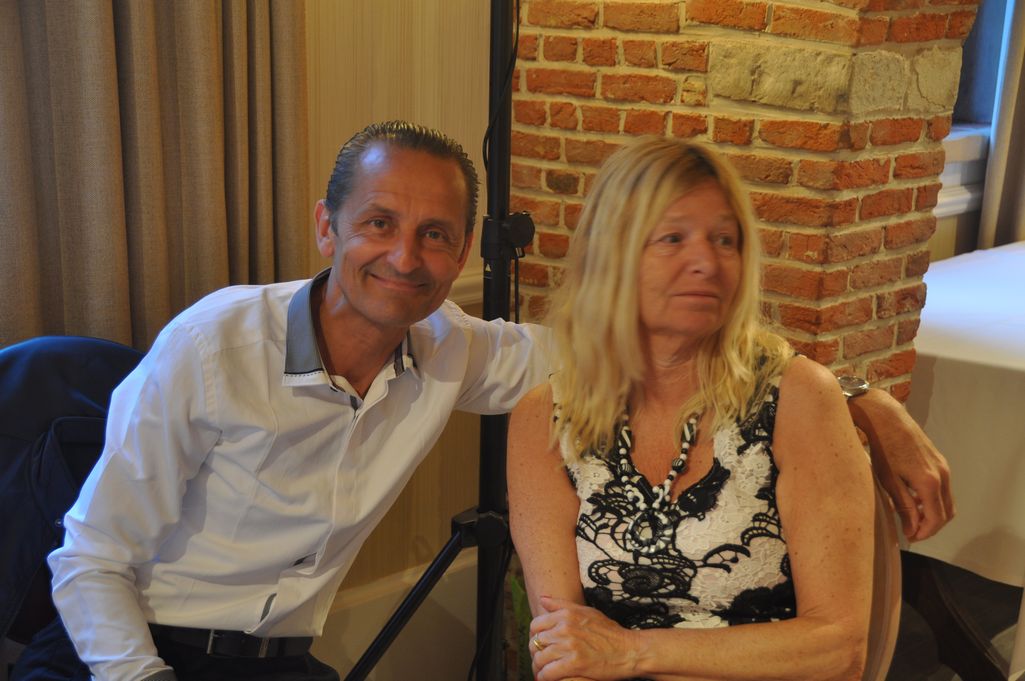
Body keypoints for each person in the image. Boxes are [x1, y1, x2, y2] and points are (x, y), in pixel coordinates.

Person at [33, 121, 947, 681]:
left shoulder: (449, 347)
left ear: (463, 250)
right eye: (379, 224)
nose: (406, 257)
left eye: (435, 235)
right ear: (326, 227)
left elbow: (643, 337)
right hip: (119, 649)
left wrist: (852, 394)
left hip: (276, 663)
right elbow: (90, 558)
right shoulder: (213, 346)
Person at [507, 137, 889, 681]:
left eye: (725, 240)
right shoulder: (545, 419)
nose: (707, 263)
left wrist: (632, 651)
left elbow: (838, 648)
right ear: (610, 257)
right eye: (673, 238)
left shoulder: (795, 399)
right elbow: (561, 644)